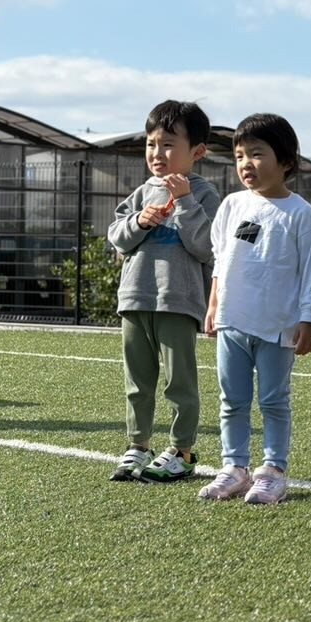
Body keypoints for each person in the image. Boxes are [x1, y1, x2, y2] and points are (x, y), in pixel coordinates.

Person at [198, 113, 311, 505]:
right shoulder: (233, 205)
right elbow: (221, 257)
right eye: (240, 156)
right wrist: (214, 304)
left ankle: (273, 470)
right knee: (231, 399)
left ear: (286, 161)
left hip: (278, 327)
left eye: (257, 154)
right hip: (233, 321)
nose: (246, 164)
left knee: (273, 400)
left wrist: (309, 320)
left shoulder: (299, 213)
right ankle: (234, 468)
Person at [107, 100, 220, 483]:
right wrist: (139, 221)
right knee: (137, 381)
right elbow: (118, 238)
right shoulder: (142, 192)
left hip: (178, 301)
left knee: (179, 381)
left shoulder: (204, 194)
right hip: (135, 297)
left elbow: (206, 246)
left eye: (169, 145)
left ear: (198, 152)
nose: (158, 153)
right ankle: (137, 446)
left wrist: (185, 201)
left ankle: (182, 450)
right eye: (152, 144)